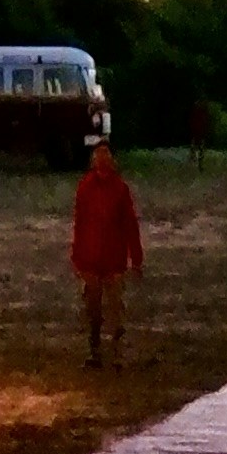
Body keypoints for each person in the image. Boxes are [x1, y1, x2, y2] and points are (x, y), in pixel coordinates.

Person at [70, 132, 145, 371]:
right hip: (91, 260)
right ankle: (95, 353)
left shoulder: (120, 189)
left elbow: (130, 224)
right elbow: (79, 224)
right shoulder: (85, 187)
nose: (102, 159)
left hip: (113, 260)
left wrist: (136, 258)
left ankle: (117, 354)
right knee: (93, 311)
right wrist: (78, 257)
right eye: (98, 154)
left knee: (115, 311)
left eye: (106, 154)